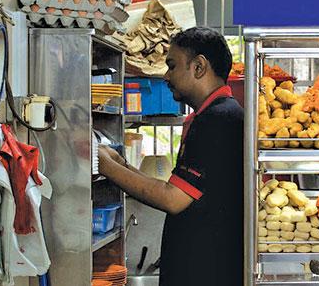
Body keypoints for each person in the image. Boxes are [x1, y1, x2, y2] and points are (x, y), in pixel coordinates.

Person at [98, 27, 244, 285]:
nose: (166, 76)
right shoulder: (219, 114)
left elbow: (173, 198)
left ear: (198, 67)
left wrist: (104, 165)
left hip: (206, 273)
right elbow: (186, 190)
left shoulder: (217, 120)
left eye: (172, 66)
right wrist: (122, 164)